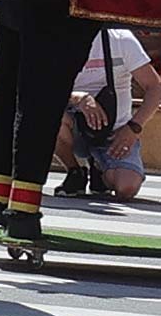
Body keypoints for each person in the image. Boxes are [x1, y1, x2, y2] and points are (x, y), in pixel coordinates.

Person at [63, 27, 153, 201]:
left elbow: (154, 87)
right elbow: (42, 91)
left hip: (116, 131)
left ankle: (99, 170)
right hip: (73, 125)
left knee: (126, 187)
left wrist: (134, 128)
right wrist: (78, 98)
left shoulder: (121, 39)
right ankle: (74, 170)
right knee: (45, 116)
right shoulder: (57, 38)